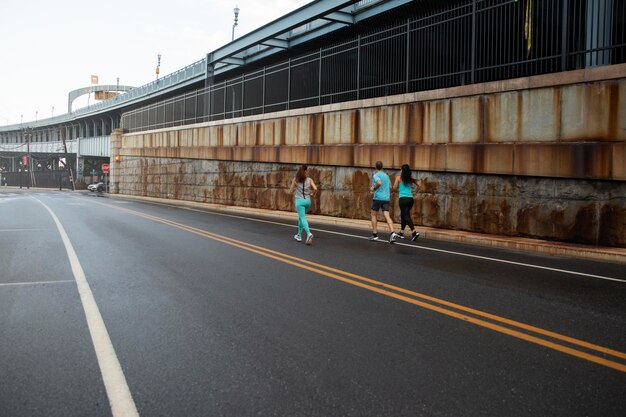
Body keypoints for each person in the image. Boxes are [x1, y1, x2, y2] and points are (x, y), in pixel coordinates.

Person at [369, 161, 399, 243]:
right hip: (386, 198)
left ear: (376, 167)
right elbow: (390, 186)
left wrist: (374, 188)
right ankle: (392, 232)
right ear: (382, 167)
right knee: (387, 216)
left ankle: (375, 235)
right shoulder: (386, 176)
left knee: (373, 215)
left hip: (378, 198)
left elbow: (379, 182)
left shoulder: (376, 175)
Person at [290, 164, 318, 245]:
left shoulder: (296, 179)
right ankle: (299, 235)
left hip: (299, 201)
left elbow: (291, 191)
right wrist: (313, 194)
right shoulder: (309, 180)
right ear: (305, 171)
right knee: (301, 218)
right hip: (307, 201)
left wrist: (295, 187)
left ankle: (308, 233)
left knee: (302, 217)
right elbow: (315, 189)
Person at [393, 164, 421, 241]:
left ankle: (414, 232)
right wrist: (415, 192)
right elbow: (419, 184)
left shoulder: (398, 178)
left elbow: (394, 187)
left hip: (403, 199)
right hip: (410, 199)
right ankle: (401, 232)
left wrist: (397, 187)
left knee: (406, 216)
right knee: (403, 214)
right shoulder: (410, 179)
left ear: (402, 170)